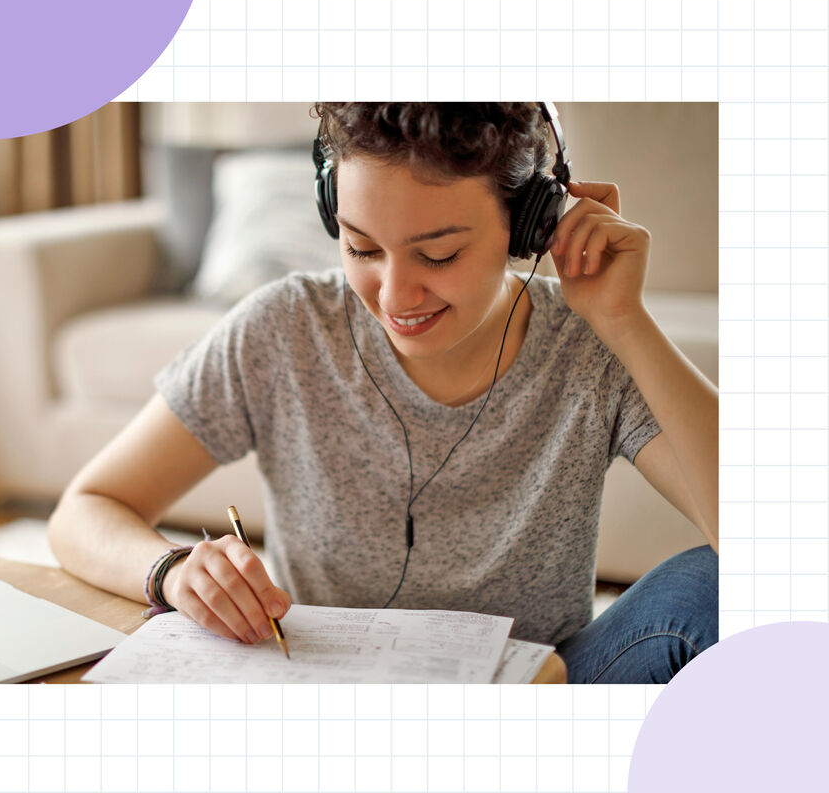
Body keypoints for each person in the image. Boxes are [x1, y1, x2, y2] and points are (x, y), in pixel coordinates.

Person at [48, 103, 718, 683]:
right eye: (362, 248)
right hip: (335, 691)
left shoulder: (588, 343)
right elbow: (87, 508)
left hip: (535, 688)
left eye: (438, 255)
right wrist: (172, 569)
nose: (394, 298)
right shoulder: (285, 329)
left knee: (714, 589)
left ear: (530, 226)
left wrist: (624, 321)